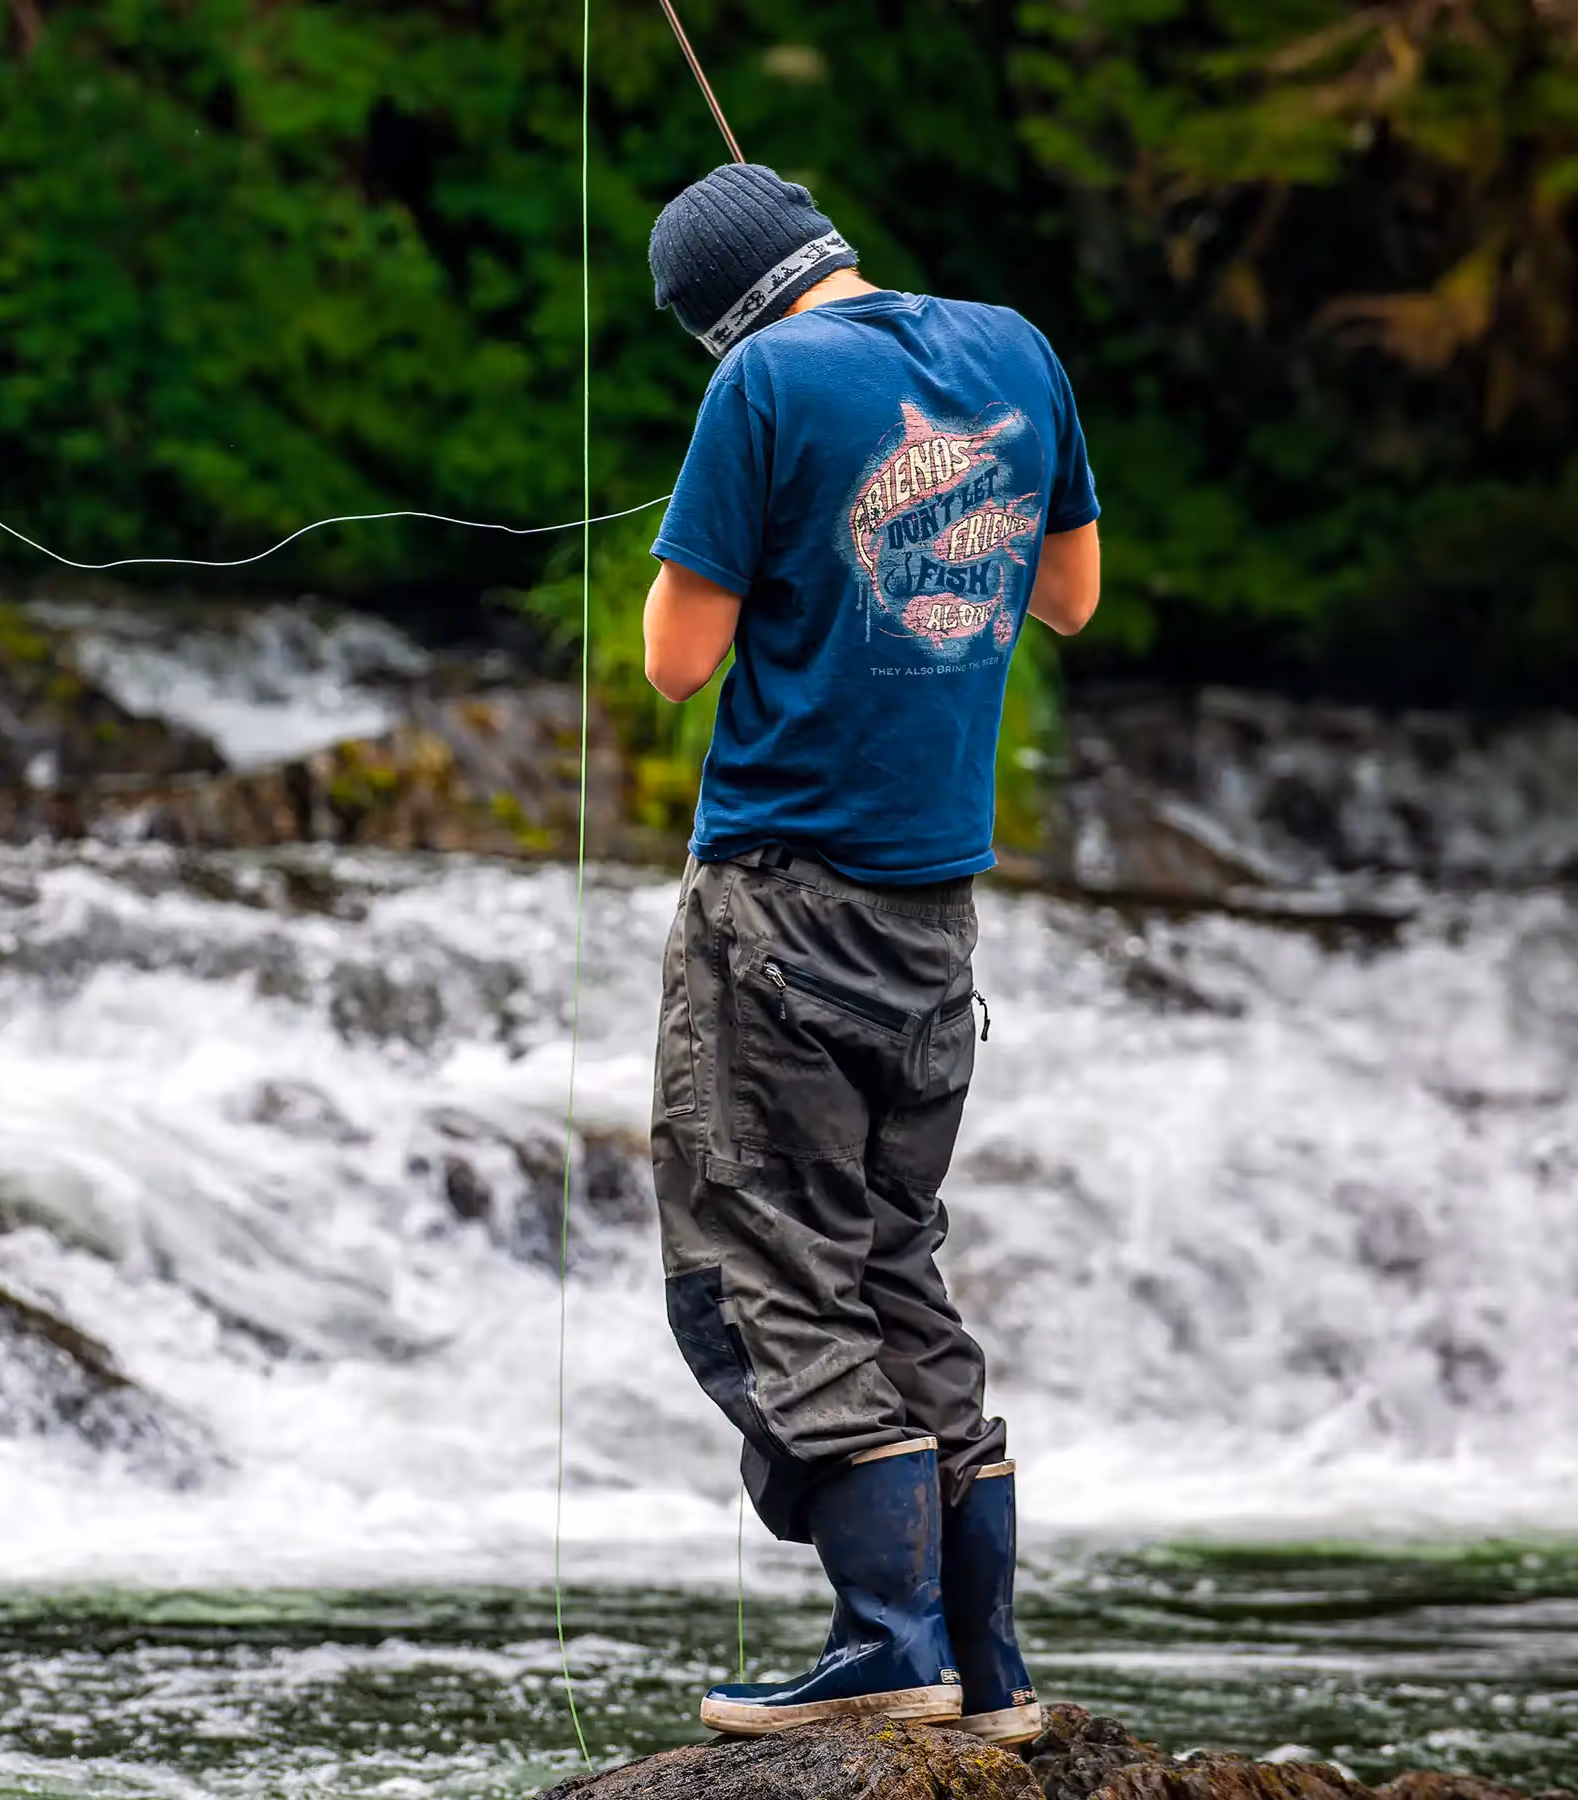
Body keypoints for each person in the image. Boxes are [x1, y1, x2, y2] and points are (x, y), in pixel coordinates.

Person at [640, 162, 1100, 1742]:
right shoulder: (1017, 348)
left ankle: (884, 1646)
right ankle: (990, 1670)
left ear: (714, 318)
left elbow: (672, 660)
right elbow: (1071, 596)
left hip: (777, 905)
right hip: (932, 915)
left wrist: (752, 514)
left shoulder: (760, 383)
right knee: (895, 1258)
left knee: (766, 1260)